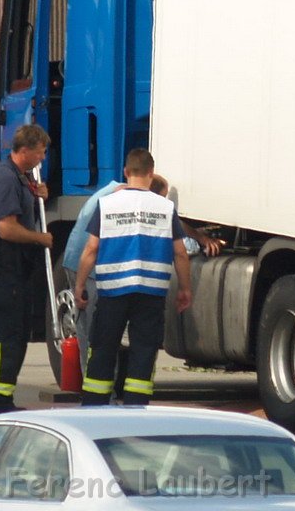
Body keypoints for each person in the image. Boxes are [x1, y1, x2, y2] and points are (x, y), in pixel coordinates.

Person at [61, 173, 220, 374]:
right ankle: (95, 387)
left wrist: (198, 236)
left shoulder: (116, 192)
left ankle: (100, 388)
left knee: (102, 336)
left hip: (91, 262)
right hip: (85, 265)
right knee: (94, 335)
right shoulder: (118, 198)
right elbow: (91, 249)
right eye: (160, 199)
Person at [74, 148, 192, 405]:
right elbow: (180, 253)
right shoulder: (165, 207)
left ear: (126, 172)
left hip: (113, 291)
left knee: (103, 347)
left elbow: (91, 249)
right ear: (151, 174)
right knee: (144, 349)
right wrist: (185, 289)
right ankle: (136, 406)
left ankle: (94, 404)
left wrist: (80, 285)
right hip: (151, 293)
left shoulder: (106, 205)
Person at [0, 124, 53, 415]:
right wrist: (40, 239)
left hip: (15, 262)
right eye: (40, 152)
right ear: (26, 151)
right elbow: (6, 228)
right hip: (2, 260)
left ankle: (4, 396)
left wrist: (38, 195)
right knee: (4, 333)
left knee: (18, 331)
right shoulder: (6, 178)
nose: (42, 159)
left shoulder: (20, 178)